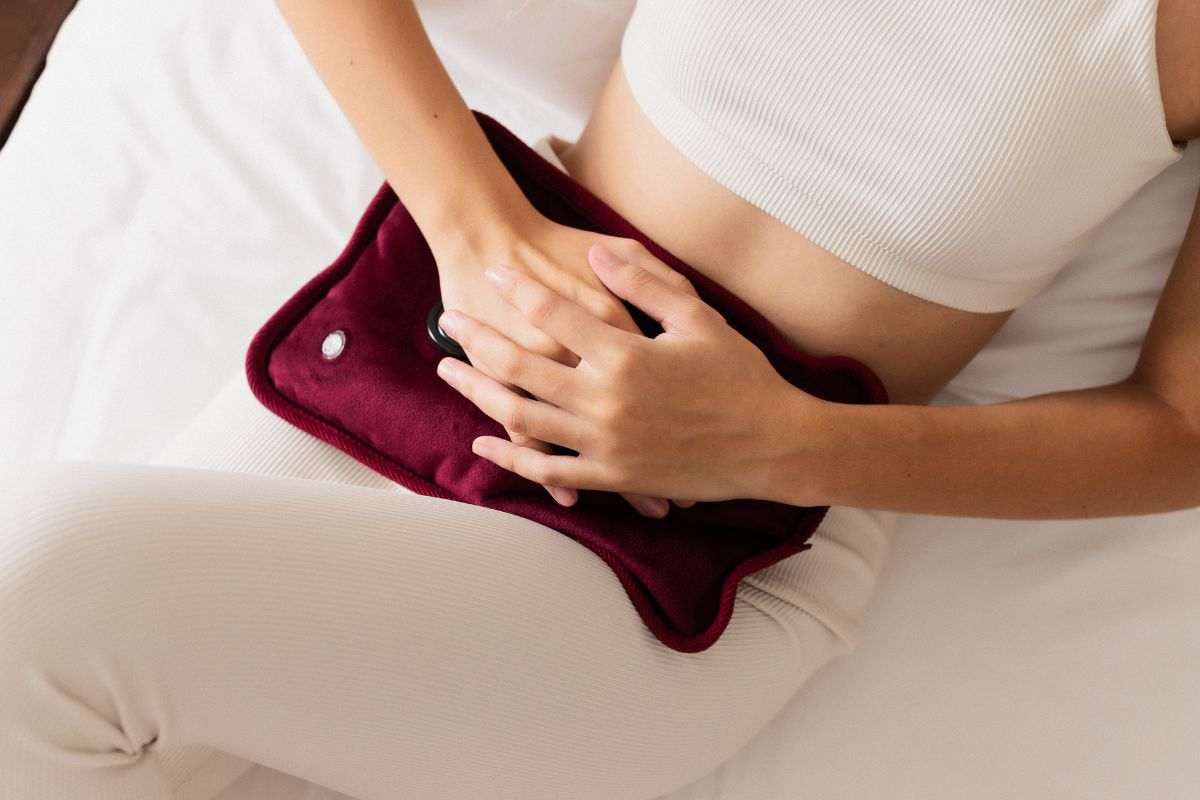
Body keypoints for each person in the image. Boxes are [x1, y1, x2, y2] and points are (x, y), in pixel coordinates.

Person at [2, 1, 1197, 798]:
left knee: (31, 586)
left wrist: (780, 441)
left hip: (692, 565)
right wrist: (481, 237)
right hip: (424, 360)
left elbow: (1183, 433)